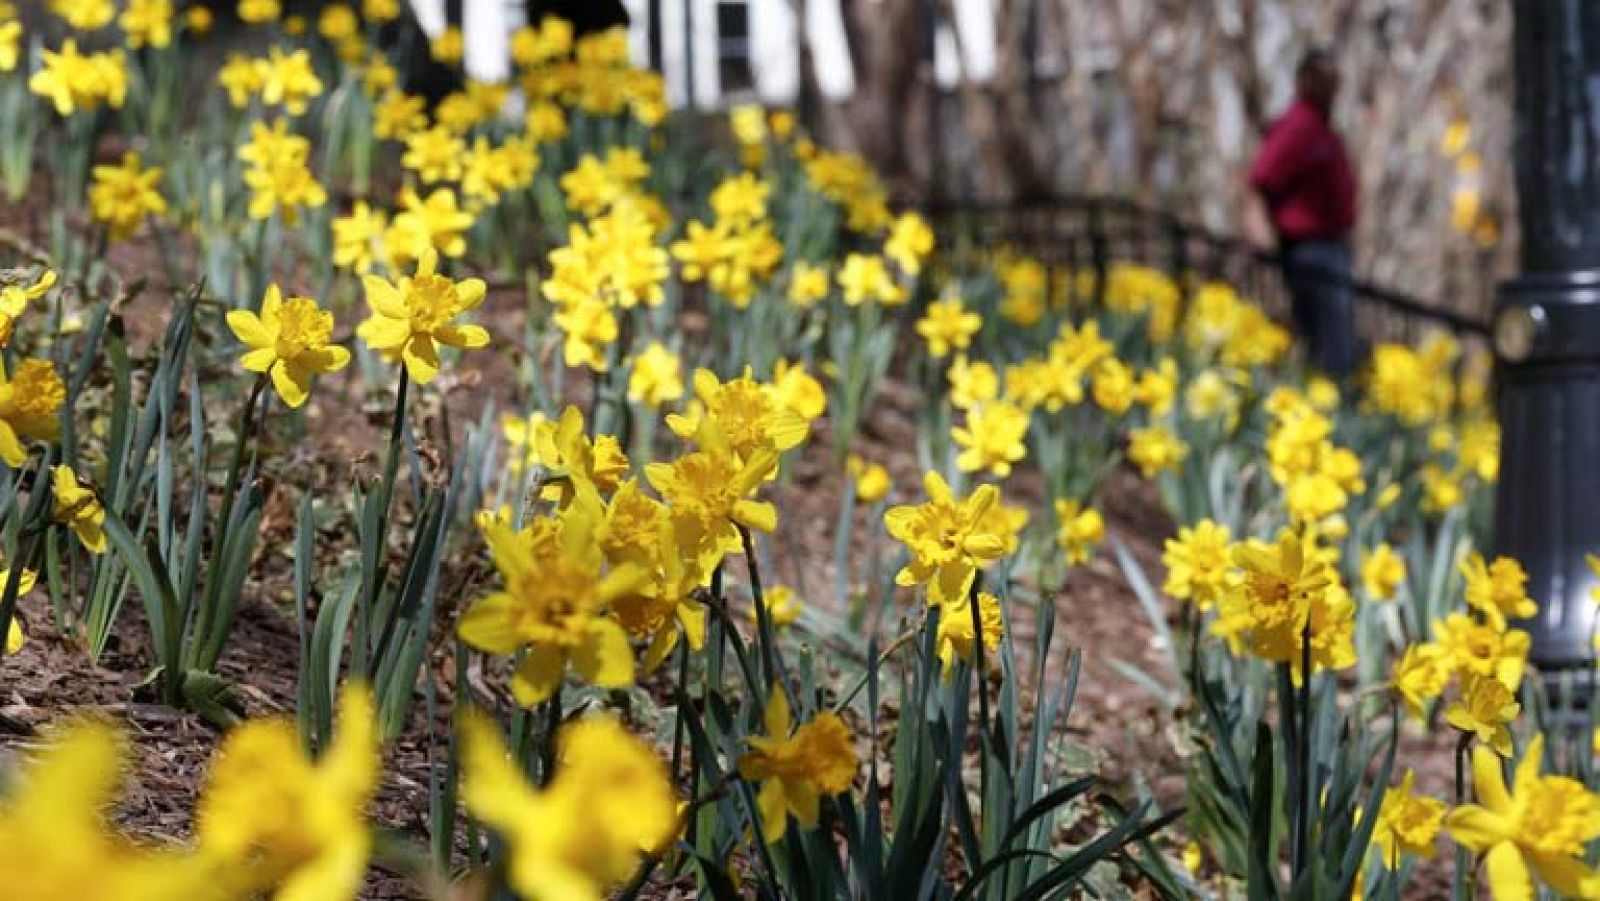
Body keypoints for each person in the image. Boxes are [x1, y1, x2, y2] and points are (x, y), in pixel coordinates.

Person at [1247, 47, 1359, 377]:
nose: (1331, 87)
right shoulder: (1298, 127)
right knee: (1328, 340)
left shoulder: (1322, 127)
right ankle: (1327, 394)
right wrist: (1260, 235)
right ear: (1305, 81)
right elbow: (1261, 180)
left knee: (1338, 338)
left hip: (1331, 247)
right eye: (1323, 78)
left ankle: (1331, 392)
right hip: (1310, 250)